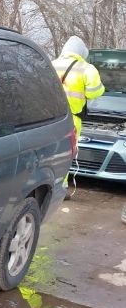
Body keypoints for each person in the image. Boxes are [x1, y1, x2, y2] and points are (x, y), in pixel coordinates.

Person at [52, 36, 105, 194]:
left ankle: (49, 187)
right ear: (82, 52)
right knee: (67, 152)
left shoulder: (51, 64)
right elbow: (94, 93)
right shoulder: (87, 68)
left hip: (49, 119)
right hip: (72, 118)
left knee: (50, 153)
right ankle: (61, 188)